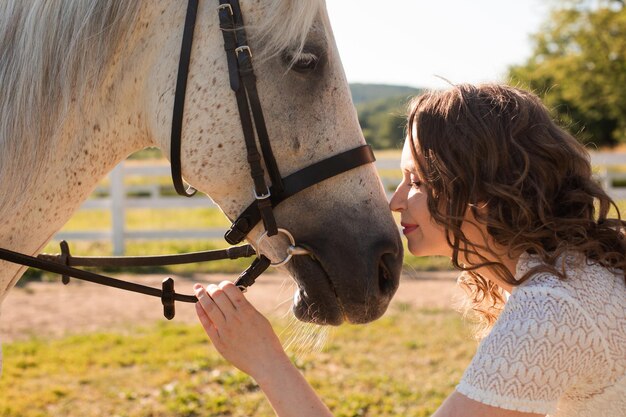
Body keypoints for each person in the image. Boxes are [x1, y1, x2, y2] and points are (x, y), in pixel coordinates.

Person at [193, 84, 626, 417]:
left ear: (483, 191)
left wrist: (266, 362)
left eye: (416, 181)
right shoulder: (572, 273)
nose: (396, 201)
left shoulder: (550, 312)